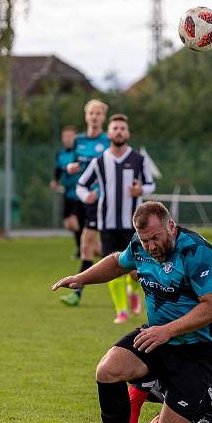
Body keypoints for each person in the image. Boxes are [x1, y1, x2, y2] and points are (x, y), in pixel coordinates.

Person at [50, 201, 212, 423]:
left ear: (171, 225)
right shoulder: (139, 246)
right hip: (156, 336)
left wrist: (167, 331)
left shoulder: (196, 251)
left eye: (156, 238)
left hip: (196, 348)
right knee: (107, 370)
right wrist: (82, 277)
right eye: (145, 240)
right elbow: (117, 263)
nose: (151, 246)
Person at [75, 114, 154, 323]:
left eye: (122, 128)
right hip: (107, 223)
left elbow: (150, 184)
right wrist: (86, 196)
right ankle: (121, 311)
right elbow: (81, 185)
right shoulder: (99, 162)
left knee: (136, 270)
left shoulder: (139, 159)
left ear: (127, 133)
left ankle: (133, 291)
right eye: (115, 128)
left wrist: (141, 190)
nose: (119, 131)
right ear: (108, 133)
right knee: (112, 266)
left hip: (135, 225)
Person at [59, 99, 111, 307]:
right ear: (86, 116)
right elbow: (73, 163)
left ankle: (77, 293)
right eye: (91, 113)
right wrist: (70, 167)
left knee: (93, 245)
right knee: (88, 245)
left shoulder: (108, 141)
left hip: (102, 199)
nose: (95, 117)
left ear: (103, 117)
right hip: (81, 198)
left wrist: (98, 191)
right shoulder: (78, 141)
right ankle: (78, 293)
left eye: (98, 113)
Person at [49, 125, 81, 258]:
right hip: (67, 192)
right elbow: (58, 169)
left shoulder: (79, 152)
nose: (68, 139)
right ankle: (88, 245)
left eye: (71, 136)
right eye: (65, 137)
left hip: (78, 193)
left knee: (74, 221)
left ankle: (84, 249)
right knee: (68, 225)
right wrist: (54, 180)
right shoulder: (60, 153)